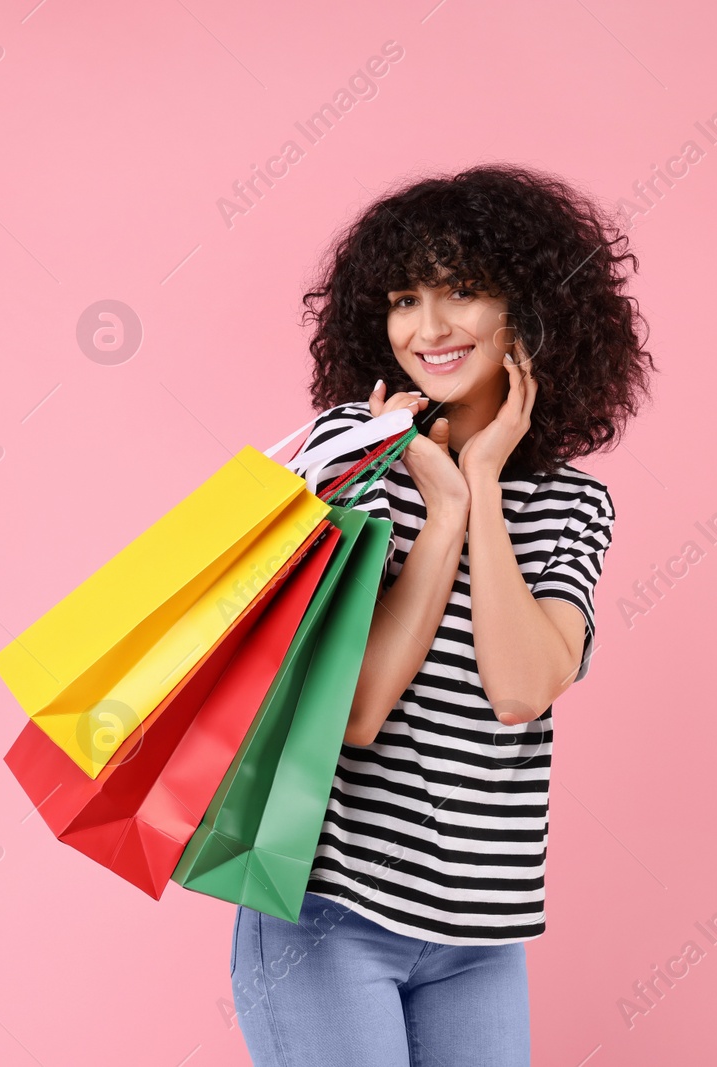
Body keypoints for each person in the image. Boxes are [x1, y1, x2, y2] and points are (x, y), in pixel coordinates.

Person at [229, 164, 657, 1066]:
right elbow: (357, 710)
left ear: (527, 313)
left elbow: (520, 688)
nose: (428, 328)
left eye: (462, 291)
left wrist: (485, 489)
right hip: (331, 914)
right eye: (403, 298)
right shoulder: (355, 475)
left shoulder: (573, 505)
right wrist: (441, 512)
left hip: (481, 931)